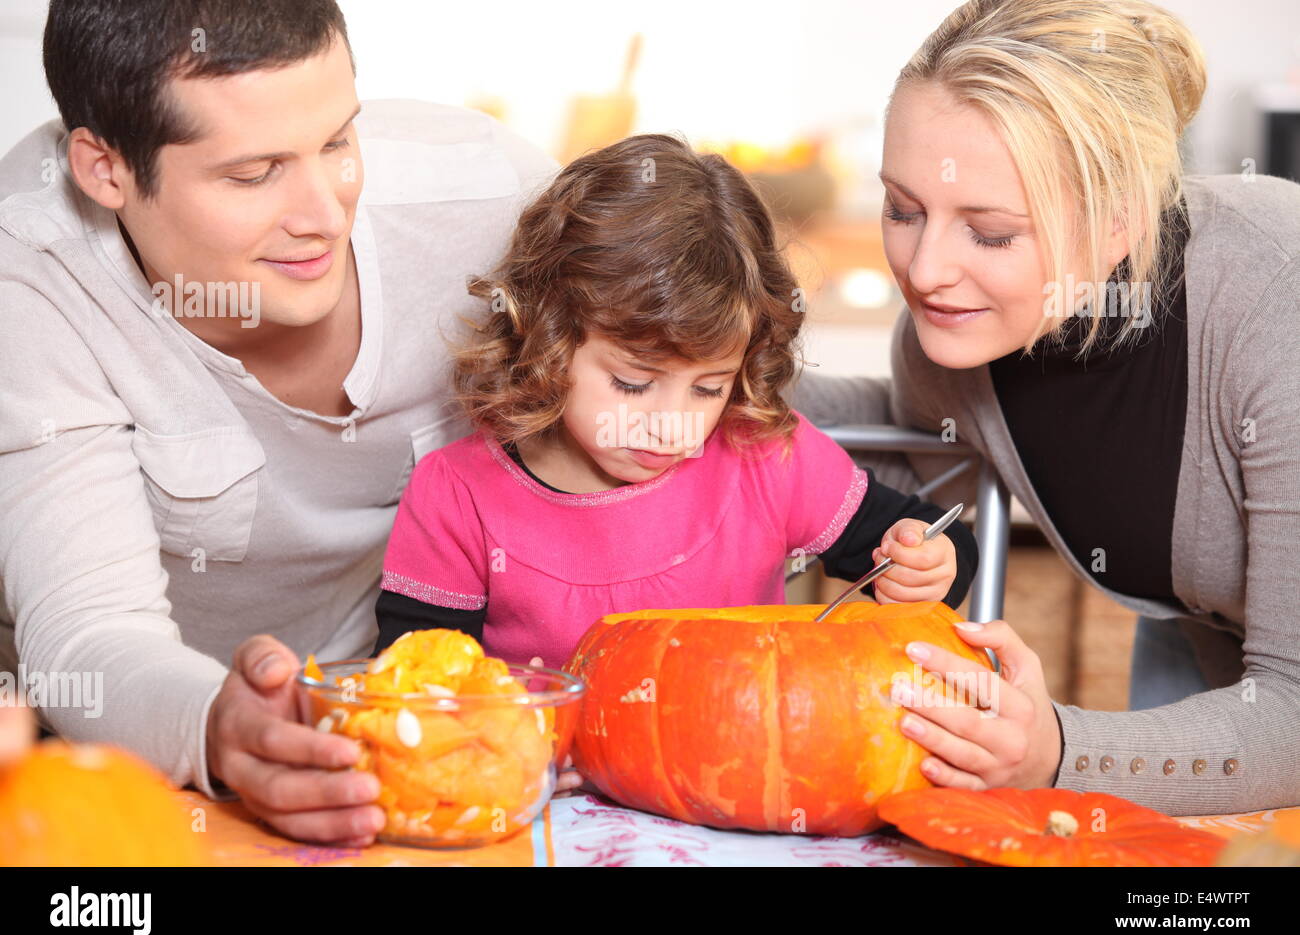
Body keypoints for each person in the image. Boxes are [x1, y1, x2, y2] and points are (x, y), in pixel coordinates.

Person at [0, 0, 556, 846]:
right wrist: (222, 728)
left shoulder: (497, 198)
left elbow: (697, 376)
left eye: (337, 142)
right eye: (254, 173)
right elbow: (88, 630)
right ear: (104, 169)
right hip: (120, 777)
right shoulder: (29, 274)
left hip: (424, 759)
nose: (326, 215)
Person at [801, 0, 1300, 814]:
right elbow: (909, 452)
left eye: (990, 233)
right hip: (1216, 667)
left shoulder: (1278, 293)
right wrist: (698, 360)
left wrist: (1061, 751)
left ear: (1118, 224)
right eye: (902, 209)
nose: (925, 271)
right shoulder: (953, 345)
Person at [372, 134, 980, 674]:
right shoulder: (457, 494)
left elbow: (923, 542)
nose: (671, 425)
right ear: (547, 338)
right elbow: (421, 687)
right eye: (634, 384)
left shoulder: (765, 458)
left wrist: (929, 565)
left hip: (736, 780)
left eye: (708, 388)